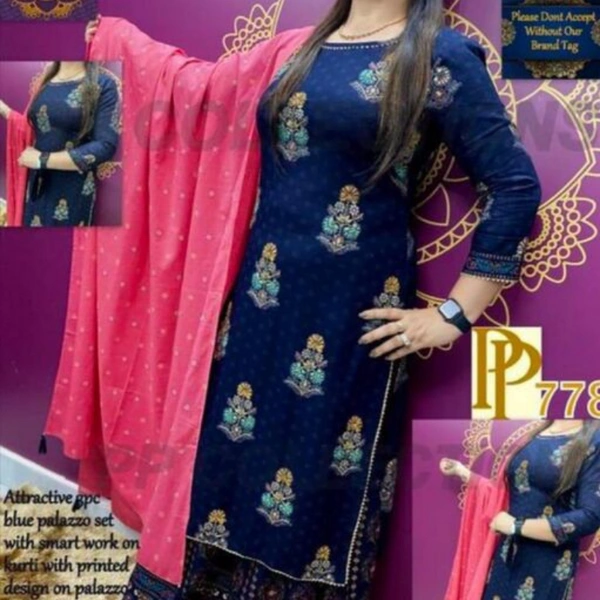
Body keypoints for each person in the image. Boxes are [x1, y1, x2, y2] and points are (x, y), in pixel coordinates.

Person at [82, 0, 542, 597]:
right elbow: (198, 92)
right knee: (223, 473)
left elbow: (513, 185)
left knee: (310, 493)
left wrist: (452, 315)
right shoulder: (299, 49)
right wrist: (113, 39)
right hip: (257, 309)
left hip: (347, 319)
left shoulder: (439, 56)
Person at [441, 420, 600, 600]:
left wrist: (516, 526)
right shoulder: (537, 432)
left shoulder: (594, 440)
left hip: (546, 564)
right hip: (507, 556)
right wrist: (464, 473)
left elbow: (590, 517)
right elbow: (510, 494)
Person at [0, 61, 121, 226]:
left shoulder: (102, 84)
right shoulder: (47, 80)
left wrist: (42, 159)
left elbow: (105, 146)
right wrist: (3, 109)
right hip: (37, 183)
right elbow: (33, 128)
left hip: (72, 189)